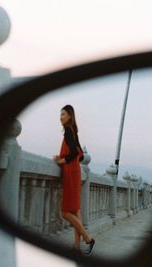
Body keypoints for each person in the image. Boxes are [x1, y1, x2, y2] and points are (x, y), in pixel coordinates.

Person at [52, 104, 95, 256]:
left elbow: (71, 154)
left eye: (63, 114)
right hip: (75, 171)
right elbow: (81, 155)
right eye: (60, 114)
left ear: (70, 116)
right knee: (75, 211)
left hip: (70, 172)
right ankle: (76, 247)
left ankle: (89, 240)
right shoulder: (73, 132)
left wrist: (61, 161)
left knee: (65, 212)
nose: (60, 117)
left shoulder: (68, 132)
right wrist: (65, 158)